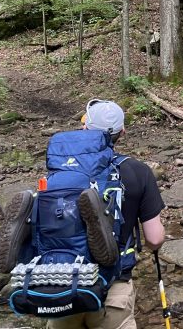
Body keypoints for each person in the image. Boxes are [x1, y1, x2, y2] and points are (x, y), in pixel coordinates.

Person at [48, 99, 166, 329]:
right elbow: (154, 239)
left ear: (85, 129)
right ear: (122, 132)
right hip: (113, 287)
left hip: (63, 285)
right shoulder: (138, 172)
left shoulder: (61, 171)